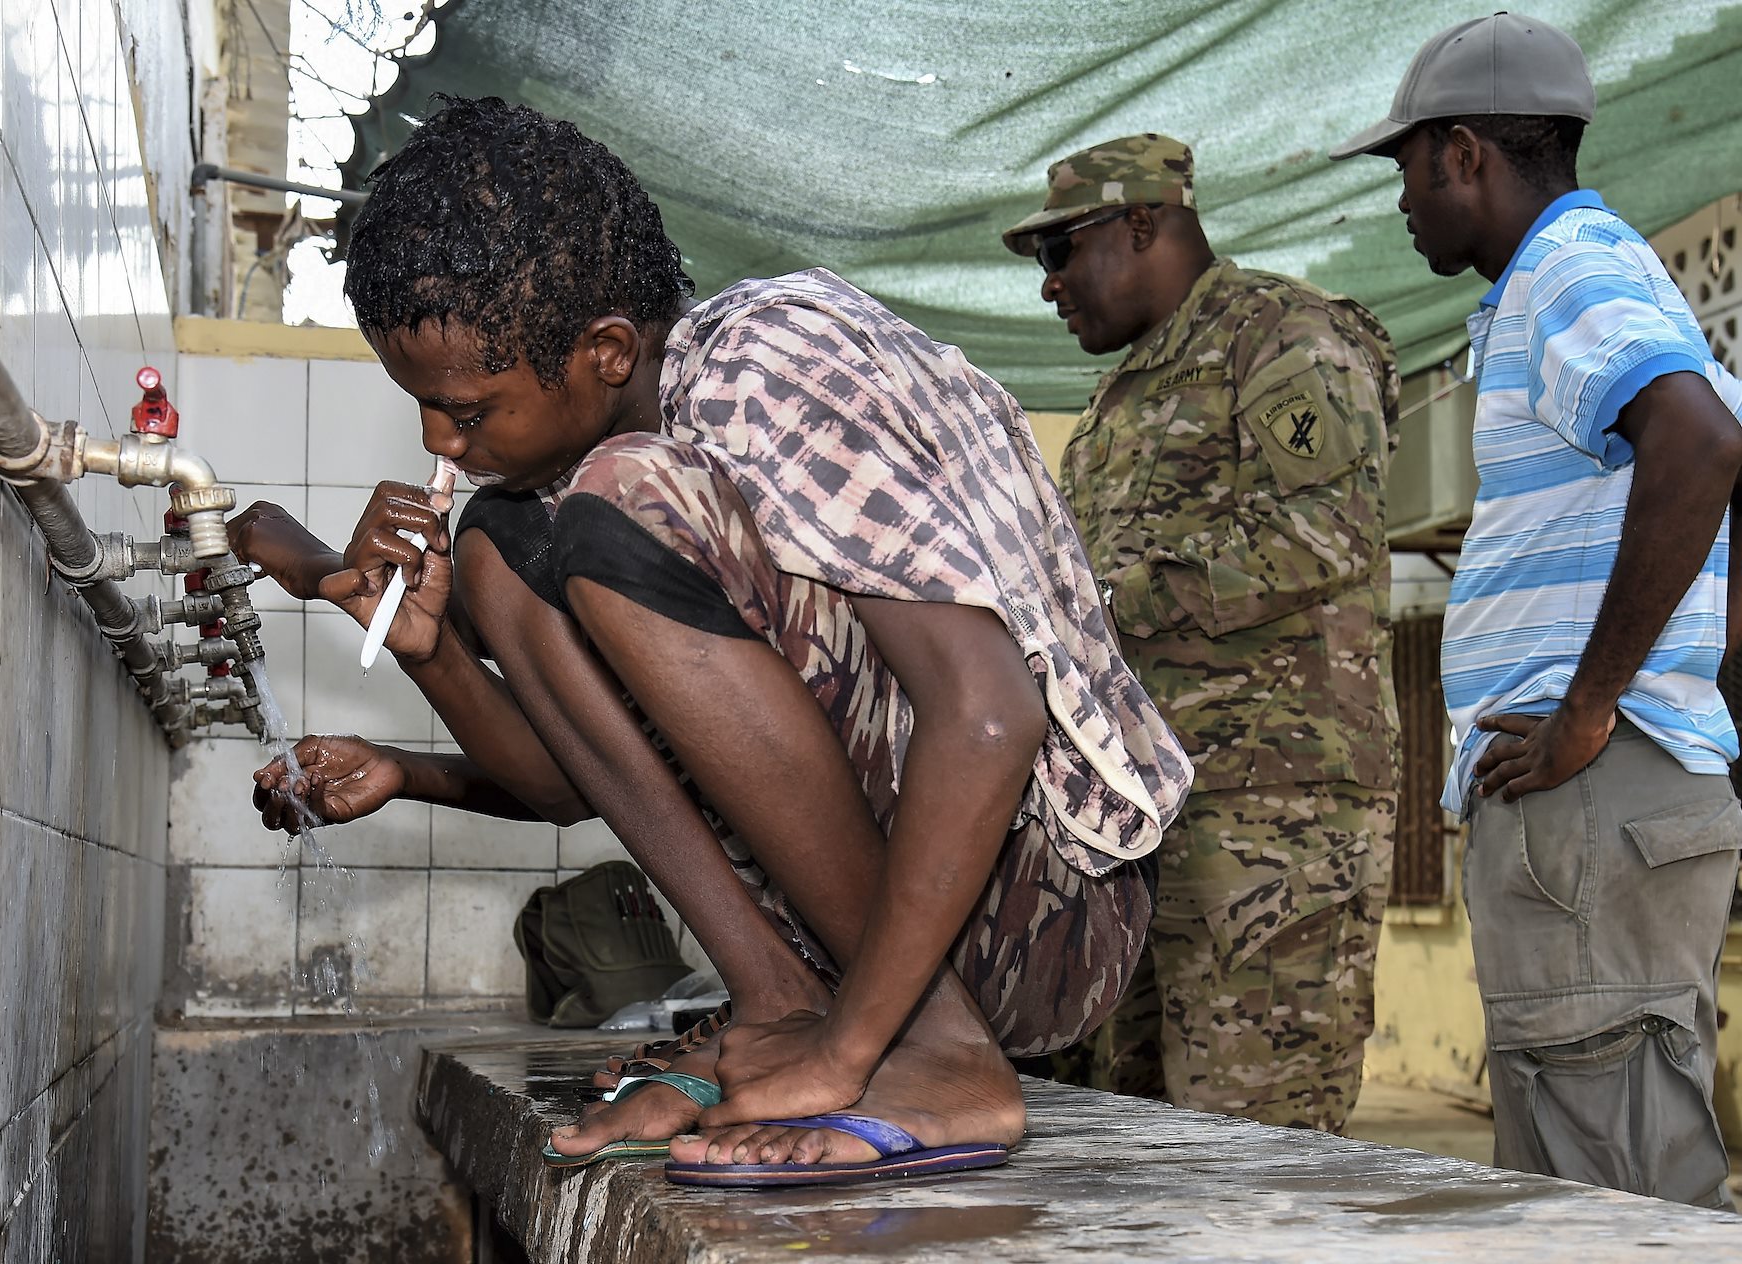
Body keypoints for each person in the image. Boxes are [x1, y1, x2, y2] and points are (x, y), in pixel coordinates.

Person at [230, 94, 1192, 1185]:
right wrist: (431, 661)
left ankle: (933, 1051)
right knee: (498, 538)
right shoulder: (593, 478)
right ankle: (778, 996)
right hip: (895, 930)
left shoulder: (758, 371)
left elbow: (986, 712)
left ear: (603, 351)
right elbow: (569, 782)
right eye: (422, 408)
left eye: (467, 408)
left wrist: (860, 1045)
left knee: (608, 499)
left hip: (1051, 896)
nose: (437, 441)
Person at [1334, 12, 1742, 1208]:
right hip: (1605, 798)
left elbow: (1703, 446)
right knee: (1587, 1181)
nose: (1400, 200)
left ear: (1464, 151)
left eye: (1406, 167)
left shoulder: (1569, 268)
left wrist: (1591, 703)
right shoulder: (1585, 279)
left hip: (1590, 794)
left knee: (1599, 1200)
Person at [1000, 135, 1401, 1133]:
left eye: (1060, 251)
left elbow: (1325, 531)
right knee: (1140, 1147)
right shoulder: (1116, 406)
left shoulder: (1278, 337)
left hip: (1273, 824)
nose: (1048, 286)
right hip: (1146, 824)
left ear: (1145, 222)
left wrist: (1093, 608)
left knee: (1258, 1146)